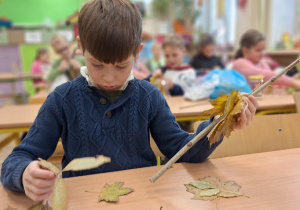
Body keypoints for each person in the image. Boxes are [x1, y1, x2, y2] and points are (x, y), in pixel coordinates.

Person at [1, 0, 258, 202]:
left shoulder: (149, 96)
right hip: (83, 201)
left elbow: (182, 151)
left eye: (122, 65)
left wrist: (218, 123)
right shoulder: (62, 99)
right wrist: (24, 174)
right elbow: (17, 158)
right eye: (97, 64)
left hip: (143, 199)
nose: (109, 77)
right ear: (81, 47)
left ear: (137, 52)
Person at [232, 29, 300, 88]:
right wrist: (292, 82)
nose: (262, 53)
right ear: (245, 50)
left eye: (263, 49)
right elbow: (264, 76)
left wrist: (293, 79)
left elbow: (273, 85)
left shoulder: (262, 63)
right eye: (258, 50)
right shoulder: (239, 64)